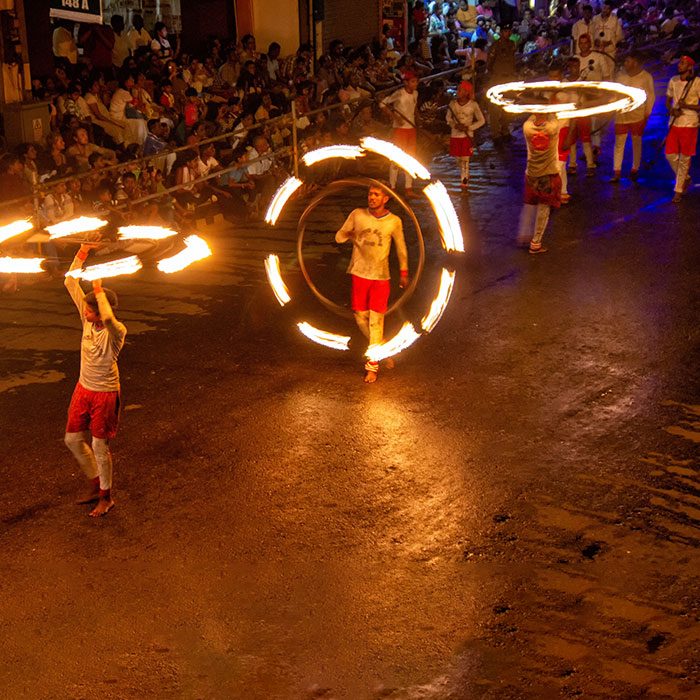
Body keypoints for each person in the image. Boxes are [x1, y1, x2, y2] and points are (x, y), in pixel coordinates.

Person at [64, 245, 127, 517]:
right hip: (83, 388)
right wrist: (83, 251)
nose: (85, 314)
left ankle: (106, 496)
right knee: (72, 440)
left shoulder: (116, 331)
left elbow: (109, 317)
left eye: (90, 310)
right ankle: (94, 485)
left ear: (99, 310)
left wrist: (99, 290)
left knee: (100, 446)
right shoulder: (88, 320)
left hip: (104, 393)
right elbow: (69, 280)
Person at [335, 185, 409, 383]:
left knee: (376, 321)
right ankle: (382, 347)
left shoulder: (394, 221)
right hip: (359, 273)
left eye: (376, 194)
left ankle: (372, 367)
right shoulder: (357, 215)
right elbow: (339, 237)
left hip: (380, 277)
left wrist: (404, 272)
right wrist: (350, 235)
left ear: (386, 198)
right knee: (360, 318)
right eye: (370, 194)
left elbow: (401, 247)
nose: (372, 197)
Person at [516, 112, 561, 255]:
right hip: (547, 175)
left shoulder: (527, 127)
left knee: (530, 205)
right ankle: (536, 242)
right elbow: (556, 116)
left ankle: (524, 235)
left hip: (532, 174)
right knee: (544, 209)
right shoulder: (552, 128)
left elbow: (532, 117)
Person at [611, 52, 655, 182]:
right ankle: (617, 171)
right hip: (621, 116)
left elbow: (651, 96)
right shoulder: (620, 76)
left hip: (637, 116)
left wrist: (647, 114)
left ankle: (635, 168)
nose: (625, 64)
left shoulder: (646, 77)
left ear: (635, 62)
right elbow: (615, 93)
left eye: (627, 61)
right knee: (619, 143)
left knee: (636, 142)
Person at [665, 55, 699, 203]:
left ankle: (678, 190)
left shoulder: (697, 82)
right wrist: (671, 110)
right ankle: (685, 177)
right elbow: (668, 101)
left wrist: (687, 106)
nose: (679, 65)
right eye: (680, 62)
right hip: (674, 122)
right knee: (670, 155)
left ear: (690, 67)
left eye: (683, 63)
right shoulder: (673, 80)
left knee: (685, 158)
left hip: (690, 123)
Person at [380, 71, 420, 195]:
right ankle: (392, 187)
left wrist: (418, 120)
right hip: (399, 130)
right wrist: (395, 117)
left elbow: (414, 108)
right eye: (413, 81)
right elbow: (382, 104)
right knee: (396, 158)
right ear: (406, 82)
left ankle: (409, 187)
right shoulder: (399, 93)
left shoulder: (416, 94)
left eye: (416, 81)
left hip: (411, 129)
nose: (415, 84)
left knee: (410, 157)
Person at [446, 80, 485, 189]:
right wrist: (454, 125)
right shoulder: (452, 104)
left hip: (467, 136)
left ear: (467, 92)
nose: (458, 91)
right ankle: (465, 173)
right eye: (458, 89)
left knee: (465, 159)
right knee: (458, 159)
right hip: (455, 135)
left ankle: (464, 181)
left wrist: (469, 128)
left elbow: (481, 120)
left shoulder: (473, 105)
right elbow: (448, 118)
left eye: (461, 90)